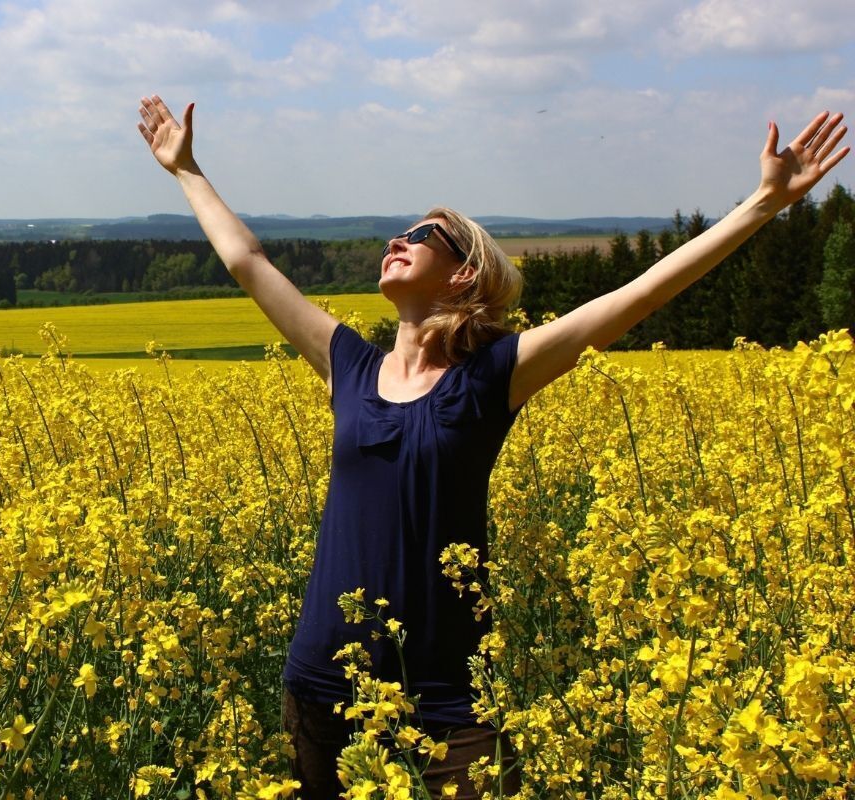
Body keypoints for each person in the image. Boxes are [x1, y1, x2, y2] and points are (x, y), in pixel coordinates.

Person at [137, 94, 848, 798]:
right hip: (327, 684)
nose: (397, 240)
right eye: (397, 233)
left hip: (448, 701)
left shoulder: (490, 378)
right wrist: (186, 169)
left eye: (420, 236)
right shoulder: (347, 365)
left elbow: (636, 297)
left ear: (465, 273)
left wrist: (762, 205)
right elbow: (249, 262)